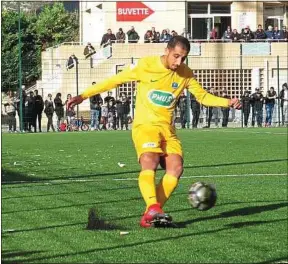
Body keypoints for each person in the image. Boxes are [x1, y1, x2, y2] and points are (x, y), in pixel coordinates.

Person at [67, 36, 241, 228]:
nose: (179, 62)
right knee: (149, 160)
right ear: (167, 50)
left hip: (167, 130)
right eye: (176, 56)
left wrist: (227, 102)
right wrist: (83, 95)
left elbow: (202, 96)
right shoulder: (146, 65)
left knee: (176, 168)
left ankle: (150, 213)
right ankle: (153, 207)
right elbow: (114, 81)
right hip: (145, 126)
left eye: (183, 58)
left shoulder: (185, 74)